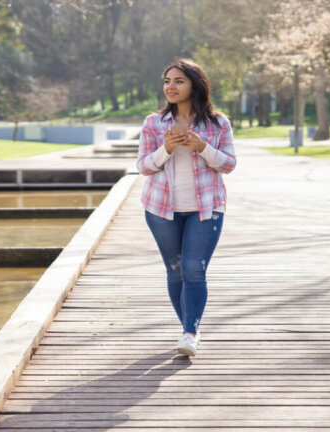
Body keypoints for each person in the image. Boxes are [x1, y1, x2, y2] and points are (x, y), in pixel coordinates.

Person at [136, 58, 236, 357]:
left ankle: (190, 333)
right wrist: (165, 149)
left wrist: (201, 146)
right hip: (161, 209)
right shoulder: (153, 123)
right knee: (176, 269)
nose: (171, 86)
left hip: (206, 208)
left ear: (195, 84)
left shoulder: (218, 123)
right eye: (167, 81)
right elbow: (143, 167)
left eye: (179, 81)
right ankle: (189, 328)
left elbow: (229, 165)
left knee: (195, 269)